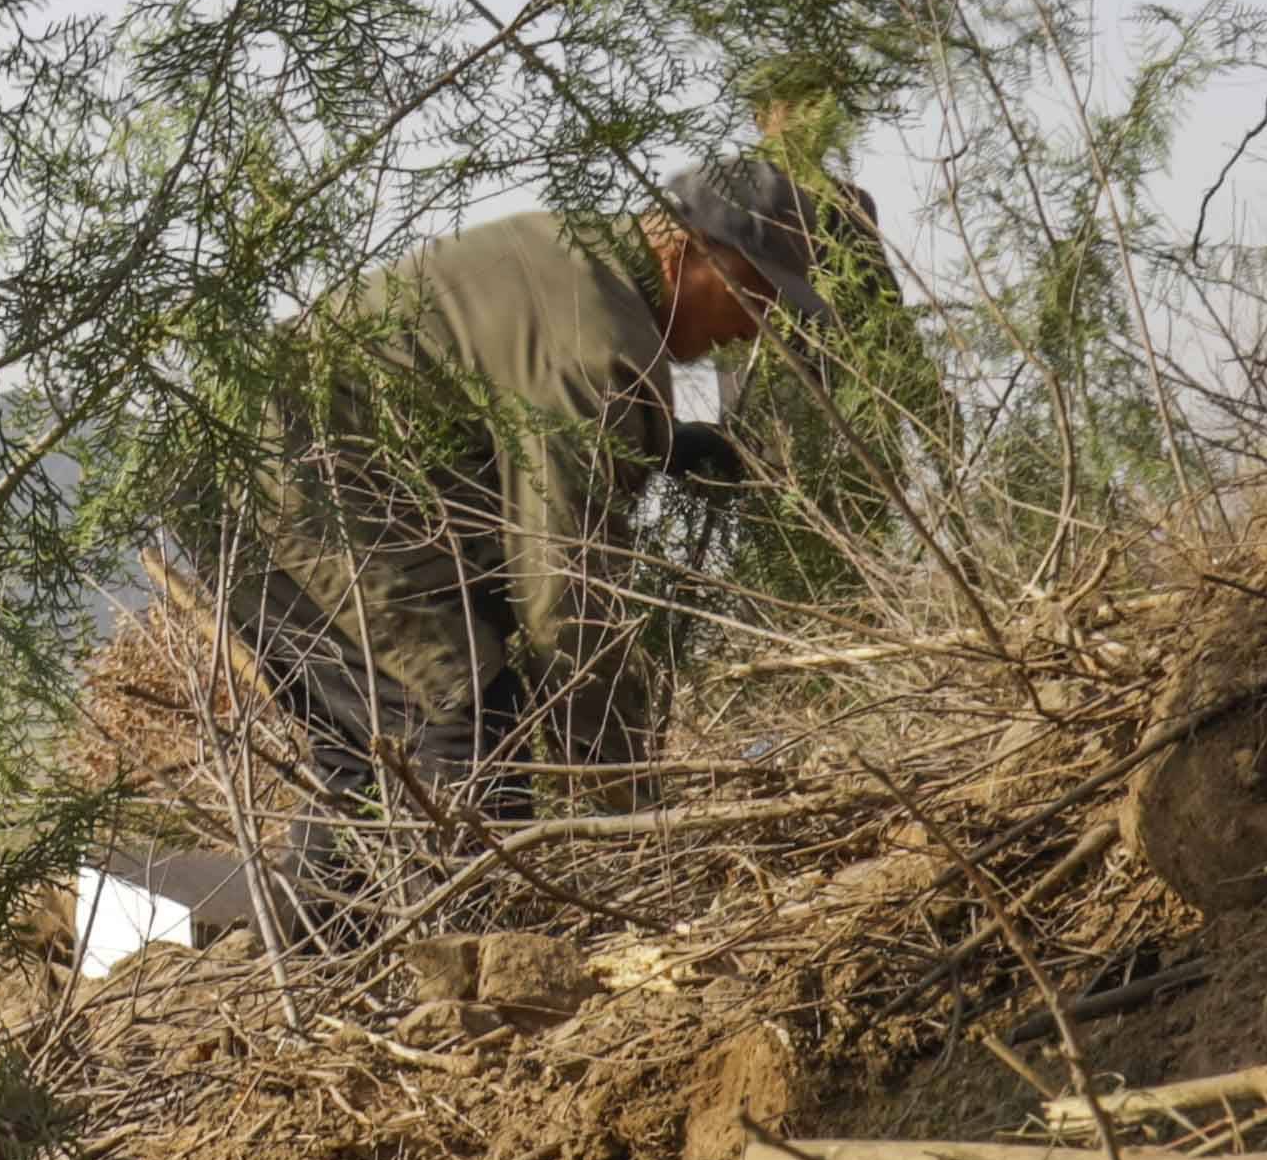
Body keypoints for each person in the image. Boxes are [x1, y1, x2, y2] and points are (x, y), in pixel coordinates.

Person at [222, 157, 834, 833]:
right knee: (464, 720)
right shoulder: (596, 345)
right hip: (291, 488)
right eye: (754, 292)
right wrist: (632, 800)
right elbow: (564, 597)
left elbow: (493, 396)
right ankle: (472, 938)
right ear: (686, 250)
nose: (757, 327)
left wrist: (654, 442)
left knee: (362, 758)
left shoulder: (580, 259)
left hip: (238, 474)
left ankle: (320, 942)